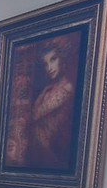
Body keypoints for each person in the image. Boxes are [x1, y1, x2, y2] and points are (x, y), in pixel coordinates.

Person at [28, 41, 76, 169]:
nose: (49, 67)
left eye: (53, 60)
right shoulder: (47, 88)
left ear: (62, 59)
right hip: (37, 151)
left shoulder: (67, 87)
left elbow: (35, 114)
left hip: (51, 151)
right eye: (45, 64)